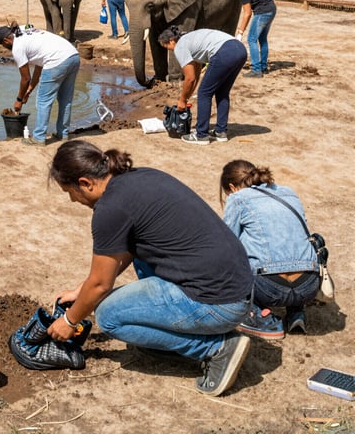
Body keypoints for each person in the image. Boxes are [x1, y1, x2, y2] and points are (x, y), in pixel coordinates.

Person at [46, 140, 253, 397]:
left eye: (70, 192)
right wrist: (81, 290)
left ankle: (215, 348)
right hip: (238, 286)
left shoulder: (110, 209)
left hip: (220, 304)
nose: (72, 200)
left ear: (86, 183)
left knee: (109, 316)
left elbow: (101, 285)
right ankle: (173, 336)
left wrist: (69, 320)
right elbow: (121, 254)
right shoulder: (139, 176)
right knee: (139, 252)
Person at [220, 159, 320, 338]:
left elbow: (227, 244)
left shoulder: (238, 199)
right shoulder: (289, 192)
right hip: (309, 286)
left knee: (232, 252)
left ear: (232, 187)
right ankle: (296, 312)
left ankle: (259, 315)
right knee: (289, 246)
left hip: (269, 289)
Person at [158, 26, 247, 144]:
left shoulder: (180, 46)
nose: (170, 50)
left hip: (224, 52)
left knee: (204, 93)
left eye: (167, 47)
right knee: (222, 92)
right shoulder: (190, 40)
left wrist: (182, 100)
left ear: (171, 41)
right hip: (240, 50)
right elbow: (195, 75)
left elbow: (189, 78)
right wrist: (187, 96)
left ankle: (201, 135)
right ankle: (220, 132)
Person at [0, 22, 80, 146]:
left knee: (43, 101)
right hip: (73, 56)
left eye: (2, 44)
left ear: (6, 41)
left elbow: (25, 78)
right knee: (65, 99)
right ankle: (63, 134)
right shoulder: (23, 32)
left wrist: (19, 99)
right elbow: (39, 67)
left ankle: (39, 138)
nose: (4, 47)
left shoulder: (17, 47)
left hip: (56, 60)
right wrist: (28, 91)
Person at [223, 0, 276, 78]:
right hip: (271, 8)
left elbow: (247, 13)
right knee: (262, 39)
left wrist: (240, 31)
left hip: (262, 12)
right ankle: (263, 67)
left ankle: (256, 70)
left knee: (251, 39)